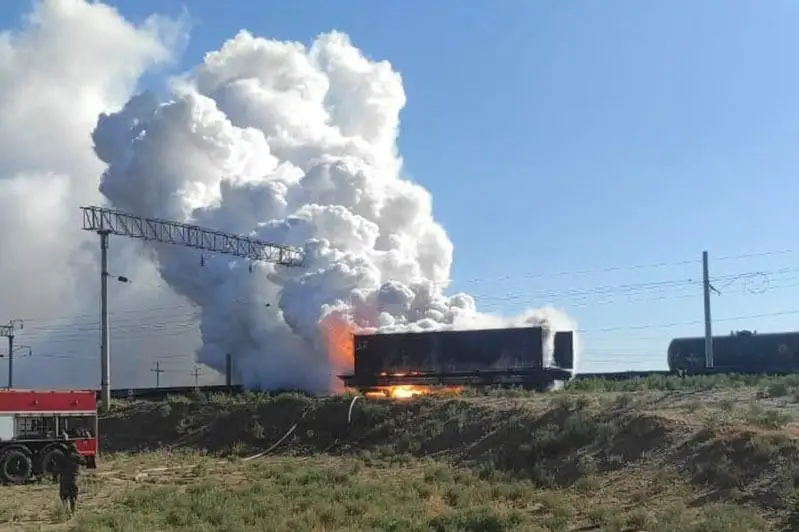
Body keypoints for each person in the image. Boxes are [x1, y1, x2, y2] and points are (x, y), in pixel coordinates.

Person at [55, 445, 81, 515]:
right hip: (73, 480)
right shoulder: (77, 457)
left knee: (64, 496)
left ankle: (66, 511)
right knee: (73, 496)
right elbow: (86, 462)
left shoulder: (62, 457)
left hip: (64, 480)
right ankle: (73, 511)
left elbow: (57, 468)